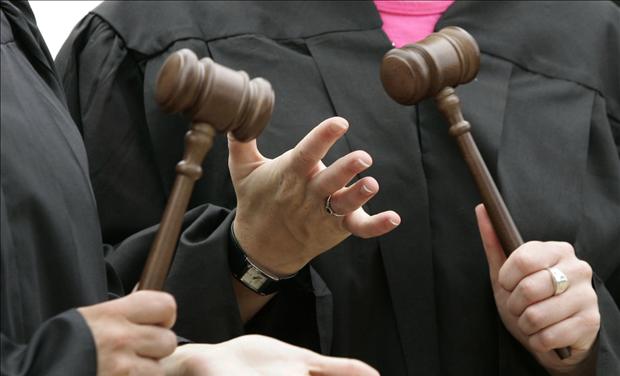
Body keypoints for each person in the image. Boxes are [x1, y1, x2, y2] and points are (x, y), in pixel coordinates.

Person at [55, 1, 620, 375]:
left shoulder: (593, 37)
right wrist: (247, 260)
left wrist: (583, 343)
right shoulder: (153, 33)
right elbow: (62, 322)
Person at [0, 1, 381, 374]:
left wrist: (251, 256)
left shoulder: (13, 36)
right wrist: (80, 358)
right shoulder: (138, 37)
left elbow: (69, 294)